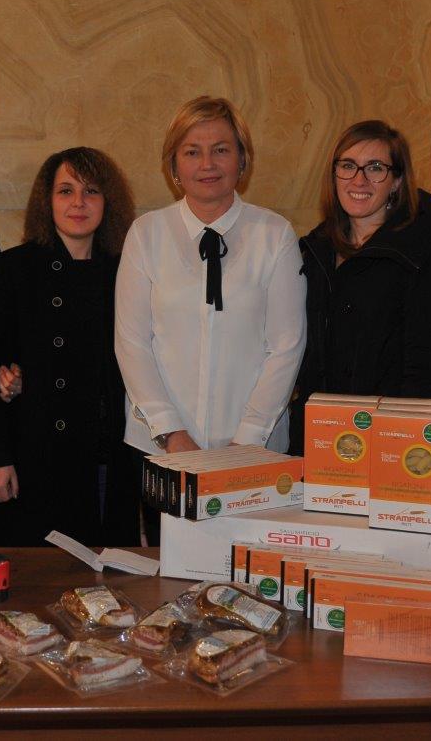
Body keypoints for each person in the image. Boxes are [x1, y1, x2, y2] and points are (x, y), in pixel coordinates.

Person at [115, 96, 306, 540]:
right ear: (174, 166)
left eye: (221, 149)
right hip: (165, 451)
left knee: (249, 567)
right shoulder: (146, 234)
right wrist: (172, 435)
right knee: (169, 568)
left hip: (256, 451)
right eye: (192, 151)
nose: (207, 163)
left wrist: (246, 443)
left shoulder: (274, 234)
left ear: (242, 159)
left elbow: (286, 346)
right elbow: (132, 342)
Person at [0, 147, 138, 546]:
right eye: (66, 191)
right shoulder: (15, 268)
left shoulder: (126, 270)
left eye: (91, 191)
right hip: (35, 453)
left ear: (108, 202)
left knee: (106, 570)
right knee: (37, 573)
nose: (78, 202)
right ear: (47, 201)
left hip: (106, 454)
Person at [288, 119, 431, 448]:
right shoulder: (315, 249)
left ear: (396, 181)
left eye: (376, 168)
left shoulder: (426, 252)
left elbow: (430, 365)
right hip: (318, 433)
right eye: (348, 166)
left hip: (386, 439)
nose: (359, 179)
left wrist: (402, 441)